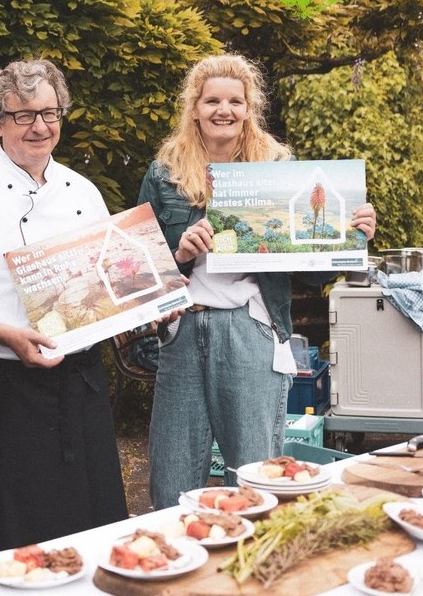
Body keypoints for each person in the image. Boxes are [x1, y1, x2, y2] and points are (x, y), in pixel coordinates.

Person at [137, 53, 377, 508]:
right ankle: (174, 572)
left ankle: (252, 574)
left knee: (255, 477)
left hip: (250, 327)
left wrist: (353, 232)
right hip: (183, 330)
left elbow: (315, 266)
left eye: (234, 101)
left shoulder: (279, 170)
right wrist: (181, 255)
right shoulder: (164, 173)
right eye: (211, 101)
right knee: (171, 481)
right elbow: (142, 274)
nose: (222, 110)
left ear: (249, 109)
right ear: (194, 108)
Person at [0, 59, 129, 562]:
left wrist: (142, 307)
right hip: (6, 392)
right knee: (13, 531)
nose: (40, 126)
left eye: (50, 112)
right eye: (24, 116)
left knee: (92, 523)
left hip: (81, 387)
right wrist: (9, 336)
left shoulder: (84, 192)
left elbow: (109, 279)